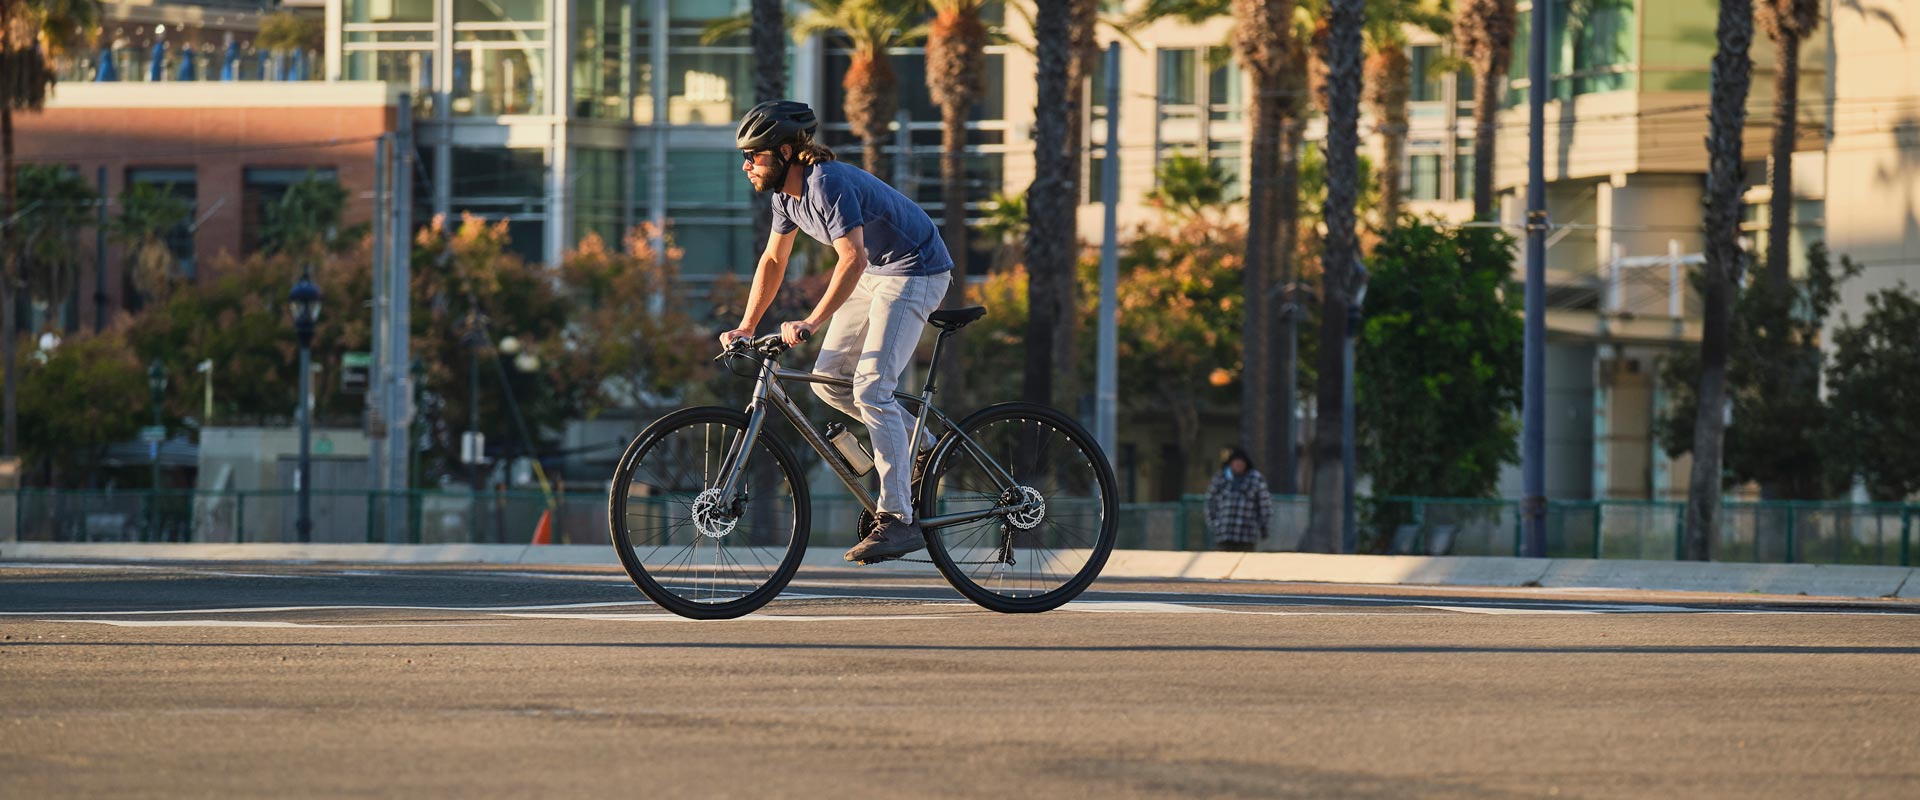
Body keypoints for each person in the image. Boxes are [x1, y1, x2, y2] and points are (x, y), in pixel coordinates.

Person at [717, 99, 954, 565]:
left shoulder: (825, 183)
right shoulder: (785, 197)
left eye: (756, 155)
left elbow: (852, 258)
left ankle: (899, 520)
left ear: (786, 152)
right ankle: (922, 447)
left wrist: (811, 321)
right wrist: (747, 325)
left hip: (916, 270)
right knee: (829, 381)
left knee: (871, 390)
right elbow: (772, 261)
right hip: (879, 274)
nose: (747, 165)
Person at [1205, 447, 1272, 552]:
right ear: (1230, 463)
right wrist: (1214, 524)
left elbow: (1264, 505)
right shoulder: (1220, 478)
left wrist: (1264, 527)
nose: (1238, 464)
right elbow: (1210, 502)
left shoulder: (1255, 479)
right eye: (1236, 461)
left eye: (1241, 461)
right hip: (1224, 534)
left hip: (1247, 535)